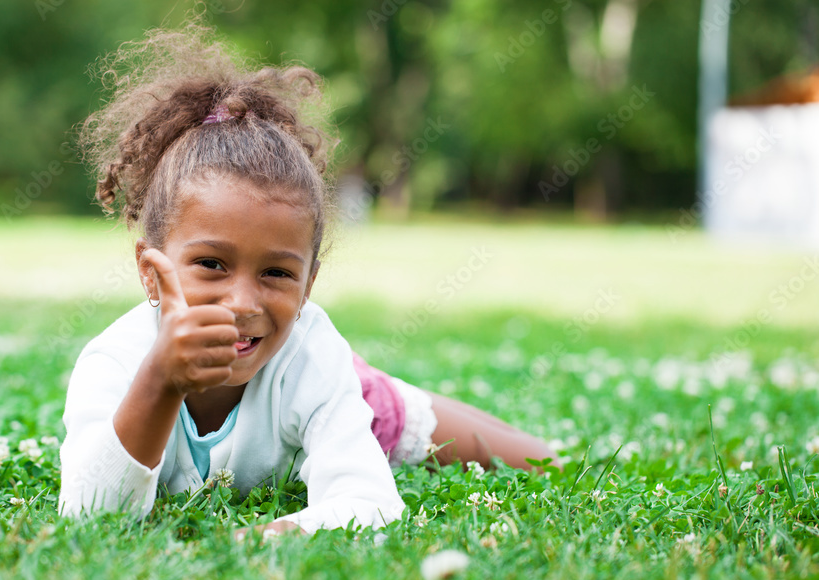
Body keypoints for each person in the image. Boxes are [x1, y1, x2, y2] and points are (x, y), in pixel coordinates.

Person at [57, 25, 557, 536]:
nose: (242, 301)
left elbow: (369, 499)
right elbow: (91, 515)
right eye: (211, 264)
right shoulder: (114, 364)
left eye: (276, 272)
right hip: (286, 384)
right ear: (150, 271)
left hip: (351, 397)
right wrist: (159, 381)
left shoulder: (313, 357)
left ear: (308, 287)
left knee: (543, 463)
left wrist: (277, 535)